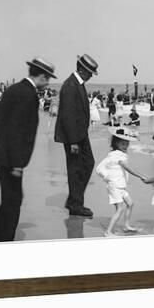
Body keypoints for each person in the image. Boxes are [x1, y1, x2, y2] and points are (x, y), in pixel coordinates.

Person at [0, 57, 57, 242]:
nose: (47, 83)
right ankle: (0, 240)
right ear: (40, 76)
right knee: (13, 200)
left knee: (11, 199)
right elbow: (18, 131)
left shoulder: (15, 89)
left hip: (1, 154)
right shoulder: (27, 95)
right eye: (47, 78)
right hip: (10, 159)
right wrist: (17, 164)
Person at [55, 54, 99, 218]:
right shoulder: (70, 85)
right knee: (75, 169)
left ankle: (74, 199)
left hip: (80, 134)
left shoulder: (77, 84)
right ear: (82, 70)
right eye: (89, 73)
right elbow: (67, 115)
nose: (89, 76)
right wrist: (73, 141)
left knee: (87, 163)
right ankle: (75, 204)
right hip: (74, 136)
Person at [96, 127, 145, 237]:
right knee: (120, 209)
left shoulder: (114, 154)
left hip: (120, 186)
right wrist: (141, 176)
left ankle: (126, 225)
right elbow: (127, 168)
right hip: (115, 186)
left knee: (130, 204)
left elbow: (99, 168)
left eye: (127, 143)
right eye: (122, 143)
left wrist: (136, 135)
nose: (125, 145)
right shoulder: (118, 155)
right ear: (116, 143)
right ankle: (108, 232)